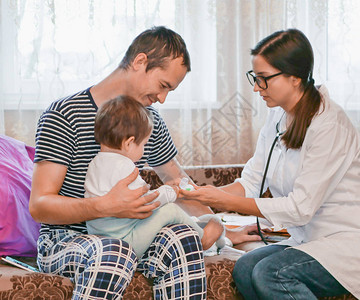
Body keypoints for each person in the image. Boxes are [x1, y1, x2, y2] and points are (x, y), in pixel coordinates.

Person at [29, 25, 256, 299]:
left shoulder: (150, 121)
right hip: (66, 239)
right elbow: (40, 206)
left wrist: (219, 228)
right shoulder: (64, 114)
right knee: (116, 252)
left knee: (183, 238)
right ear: (140, 62)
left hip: (130, 234)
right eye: (163, 86)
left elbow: (181, 187)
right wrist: (102, 206)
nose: (162, 98)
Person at [180, 28, 360, 300]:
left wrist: (223, 201)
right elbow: (252, 181)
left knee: (272, 273)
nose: (256, 88)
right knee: (245, 268)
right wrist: (204, 194)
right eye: (255, 79)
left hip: (350, 243)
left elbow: (299, 208)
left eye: (264, 79)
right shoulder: (278, 116)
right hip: (312, 241)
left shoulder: (328, 124)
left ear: (294, 78)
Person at [85, 95, 225, 257]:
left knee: (171, 217)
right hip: (125, 240)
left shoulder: (95, 163)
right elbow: (147, 203)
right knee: (171, 210)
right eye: (144, 144)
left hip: (100, 237)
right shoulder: (124, 166)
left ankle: (207, 233)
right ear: (129, 143)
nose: (144, 149)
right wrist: (171, 192)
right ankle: (203, 239)